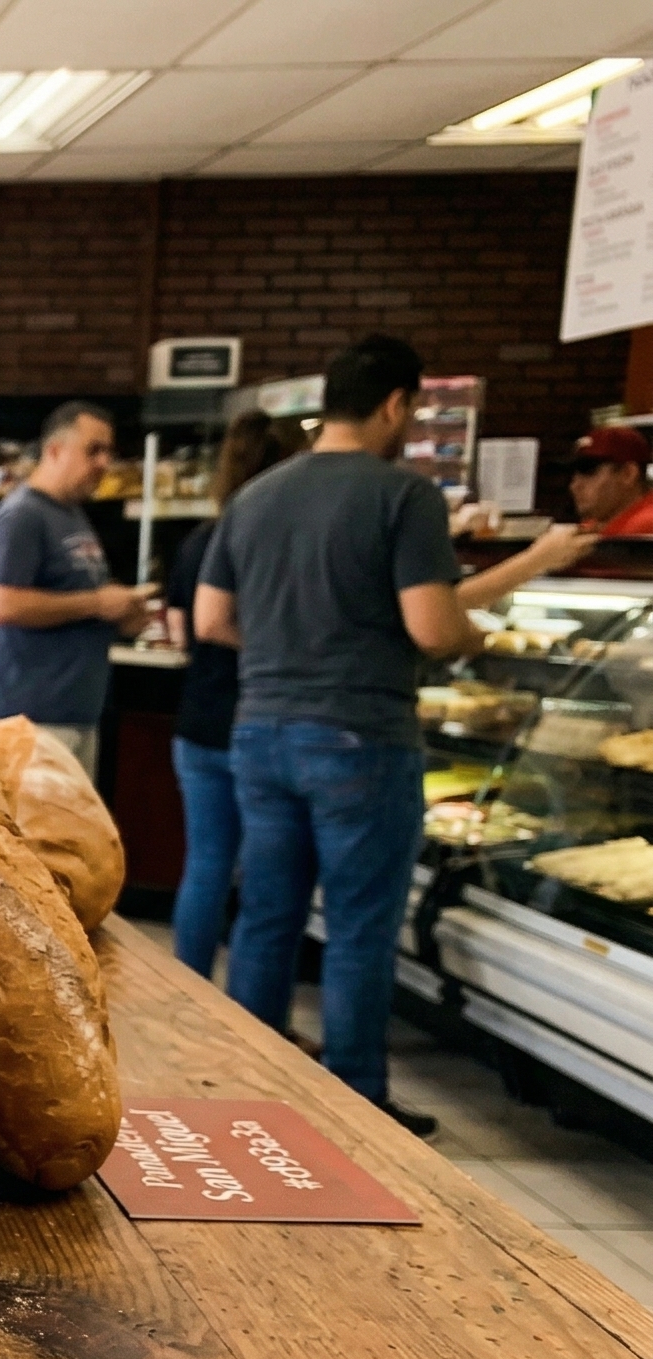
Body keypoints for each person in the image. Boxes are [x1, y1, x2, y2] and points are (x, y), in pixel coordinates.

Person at [194, 334, 593, 1134]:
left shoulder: (256, 495)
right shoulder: (401, 496)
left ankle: (239, 1094)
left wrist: (292, 648)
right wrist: (483, 635)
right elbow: (433, 626)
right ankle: (355, 1108)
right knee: (357, 926)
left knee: (267, 914)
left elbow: (211, 620)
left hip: (261, 731)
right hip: (360, 735)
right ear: (396, 404)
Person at [162, 412, 304, 978]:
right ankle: (252, 1013)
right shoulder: (279, 542)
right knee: (266, 883)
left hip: (197, 721)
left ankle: (186, 990)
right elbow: (211, 622)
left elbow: (181, 629)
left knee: (206, 866)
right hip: (257, 724)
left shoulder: (199, 540)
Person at [0, 401, 157, 771]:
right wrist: (96, 603)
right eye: (94, 450)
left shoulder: (72, 516)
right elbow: (2, 605)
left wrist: (122, 615)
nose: (104, 463)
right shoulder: (21, 516)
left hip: (76, 718)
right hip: (28, 725)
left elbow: (79, 601)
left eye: (109, 451)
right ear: (54, 450)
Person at [567, 425, 653, 535]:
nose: (574, 486)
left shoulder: (644, 526)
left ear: (628, 474)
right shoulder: (597, 522)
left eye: (588, 471)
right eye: (573, 473)